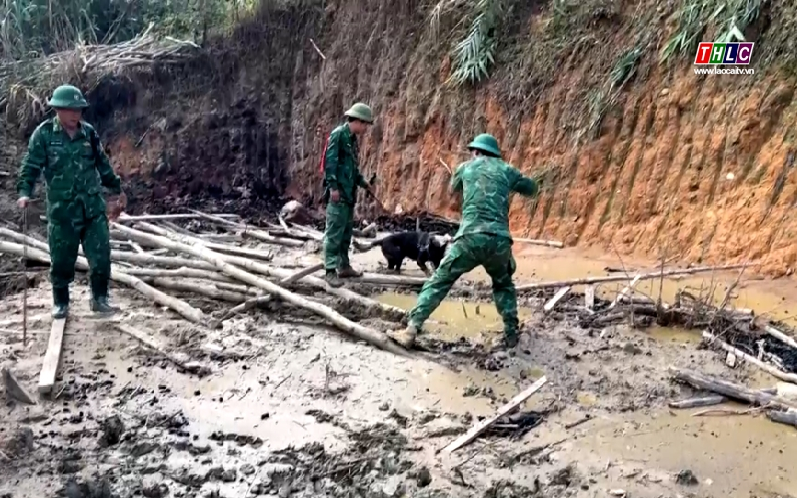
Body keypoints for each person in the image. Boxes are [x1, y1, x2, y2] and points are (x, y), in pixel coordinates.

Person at [389, 133, 540, 349]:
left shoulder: (465, 168)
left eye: (473, 152)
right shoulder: (508, 170)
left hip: (469, 238)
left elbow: (453, 188)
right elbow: (532, 189)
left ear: (476, 152)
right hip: (499, 241)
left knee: (439, 281)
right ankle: (511, 334)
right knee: (504, 284)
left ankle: (411, 328)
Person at [16, 84, 127, 319]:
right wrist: (24, 192)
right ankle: (61, 302)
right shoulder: (44, 135)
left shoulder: (89, 133)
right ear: (58, 109)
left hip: (92, 208)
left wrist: (116, 189)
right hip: (62, 211)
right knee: (61, 260)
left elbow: (103, 164)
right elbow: (31, 166)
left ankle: (99, 298)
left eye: (79, 109)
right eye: (70, 110)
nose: (76, 114)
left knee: (100, 256)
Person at [322, 102, 377, 288]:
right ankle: (330, 271)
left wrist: (364, 183)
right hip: (339, 194)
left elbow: (352, 169)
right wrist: (333, 188)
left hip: (349, 194)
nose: (365, 128)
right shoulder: (338, 135)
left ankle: (343, 266)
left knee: (345, 234)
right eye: (365, 124)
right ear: (358, 121)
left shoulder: (352, 140)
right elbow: (329, 163)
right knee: (334, 234)